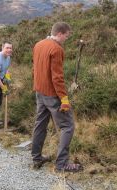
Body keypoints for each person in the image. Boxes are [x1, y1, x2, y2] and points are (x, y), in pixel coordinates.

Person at [31, 22, 83, 172]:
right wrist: (64, 100)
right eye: (66, 36)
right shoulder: (56, 49)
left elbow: (35, 68)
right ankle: (61, 164)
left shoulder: (39, 44)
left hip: (39, 92)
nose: (66, 39)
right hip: (52, 95)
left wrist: (37, 86)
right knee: (68, 126)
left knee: (40, 124)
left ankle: (37, 158)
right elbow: (57, 78)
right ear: (60, 33)